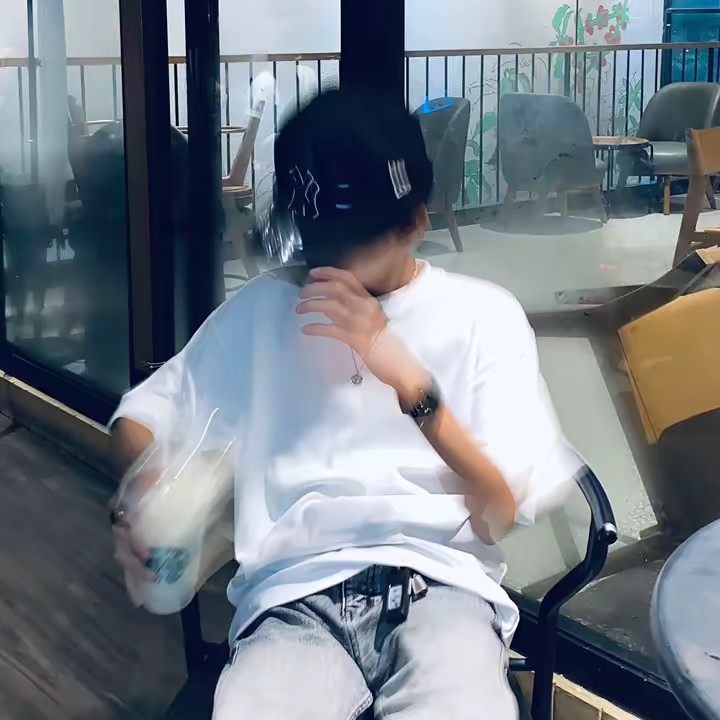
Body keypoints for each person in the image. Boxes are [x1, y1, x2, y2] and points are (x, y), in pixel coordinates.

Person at [110, 89, 579, 719]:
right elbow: (143, 417)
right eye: (314, 240)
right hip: (293, 598)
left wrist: (409, 382)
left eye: (349, 244)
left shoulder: (483, 316)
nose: (323, 265)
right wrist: (144, 491)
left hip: (441, 590)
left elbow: (495, 513)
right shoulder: (264, 309)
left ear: (414, 223)